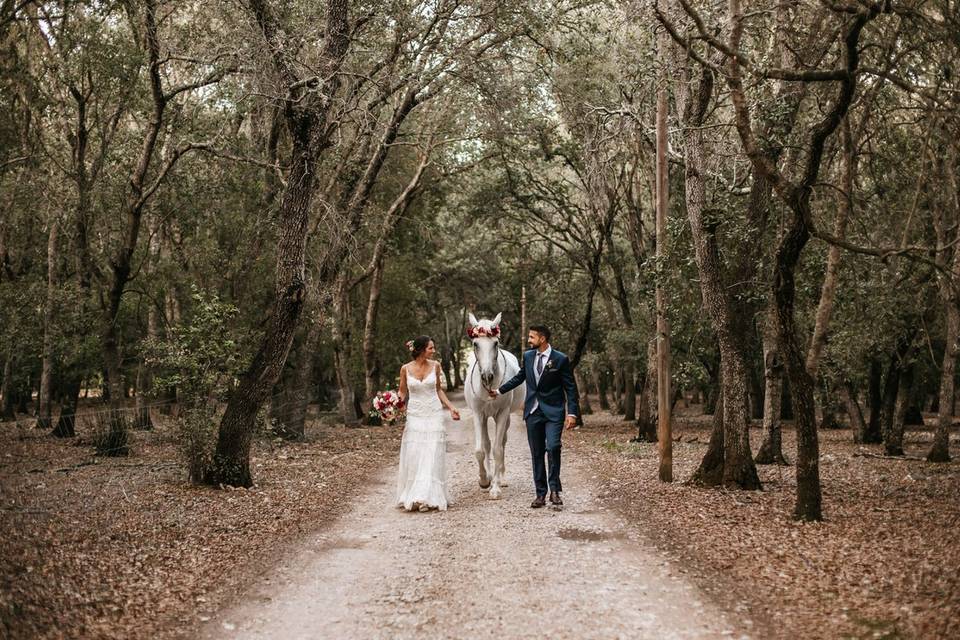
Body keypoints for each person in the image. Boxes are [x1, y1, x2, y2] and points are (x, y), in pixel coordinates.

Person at [489, 324, 579, 508]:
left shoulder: (560, 359)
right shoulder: (528, 356)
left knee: (553, 447)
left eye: (531, 337)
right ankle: (540, 494)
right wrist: (499, 390)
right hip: (532, 412)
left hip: (554, 412)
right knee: (537, 453)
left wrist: (572, 413)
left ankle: (555, 490)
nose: (528, 340)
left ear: (542, 339)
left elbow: (570, 388)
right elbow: (519, 377)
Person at [395, 335, 460, 512]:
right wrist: (393, 405)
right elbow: (402, 392)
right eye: (431, 348)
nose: (433, 350)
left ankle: (426, 497)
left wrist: (451, 407)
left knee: (432, 453)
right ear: (421, 349)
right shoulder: (405, 369)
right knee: (415, 453)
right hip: (415, 413)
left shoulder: (436, 366)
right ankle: (414, 493)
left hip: (434, 412)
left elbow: (438, 389)